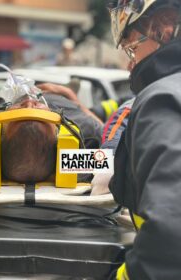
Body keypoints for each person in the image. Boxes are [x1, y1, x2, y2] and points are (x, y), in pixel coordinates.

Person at [106, 0, 181, 279]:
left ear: (164, 29)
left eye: (131, 48)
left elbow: (172, 229)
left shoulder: (160, 98)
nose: (130, 63)